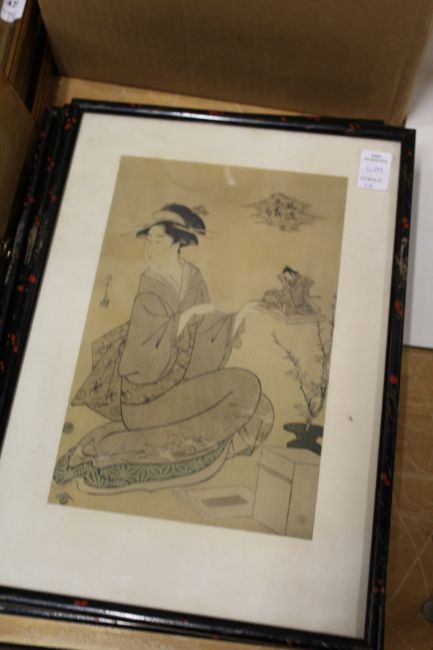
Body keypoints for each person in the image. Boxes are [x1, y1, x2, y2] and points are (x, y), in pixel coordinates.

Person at [55, 204, 273, 490]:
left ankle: (157, 443)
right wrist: (188, 316)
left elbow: (207, 337)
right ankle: (119, 448)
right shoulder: (149, 289)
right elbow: (143, 363)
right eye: (148, 240)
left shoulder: (192, 277)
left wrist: (241, 313)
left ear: (178, 243)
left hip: (179, 388)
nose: (149, 248)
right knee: (246, 388)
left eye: (157, 240)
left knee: (257, 402)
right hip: (145, 401)